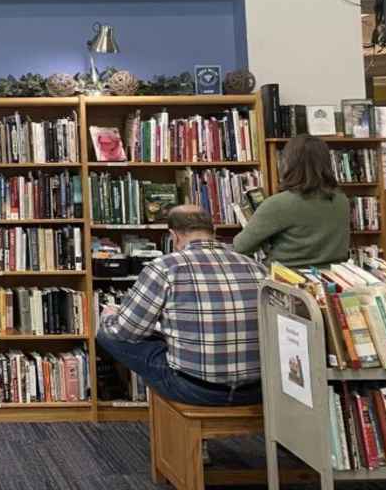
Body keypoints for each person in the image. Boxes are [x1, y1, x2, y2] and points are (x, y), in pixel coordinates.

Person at [97, 205, 266, 406]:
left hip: (196, 389)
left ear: (173, 236)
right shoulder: (257, 268)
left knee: (107, 335)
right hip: (256, 389)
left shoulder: (165, 267)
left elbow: (124, 332)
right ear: (214, 231)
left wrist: (108, 316)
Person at [232, 134, 350, 267]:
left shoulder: (278, 204)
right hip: (333, 279)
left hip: (287, 281)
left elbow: (240, 247)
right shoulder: (341, 199)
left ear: (288, 164)